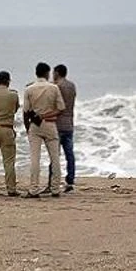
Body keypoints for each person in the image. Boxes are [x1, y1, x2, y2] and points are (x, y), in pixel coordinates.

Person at [23, 62, 66, 198]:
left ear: (36, 73)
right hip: (50, 124)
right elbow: (61, 108)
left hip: (35, 125)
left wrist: (28, 127)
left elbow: (26, 111)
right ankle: (55, 188)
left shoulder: (29, 89)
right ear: (47, 73)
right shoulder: (53, 88)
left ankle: (34, 188)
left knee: (35, 158)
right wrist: (48, 115)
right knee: (55, 158)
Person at [43, 64, 77, 194]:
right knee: (70, 154)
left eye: (54, 72)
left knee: (54, 156)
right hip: (69, 124)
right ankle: (70, 181)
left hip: (57, 125)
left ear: (57, 73)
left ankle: (52, 183)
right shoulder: (72, 86)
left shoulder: (56, 86)